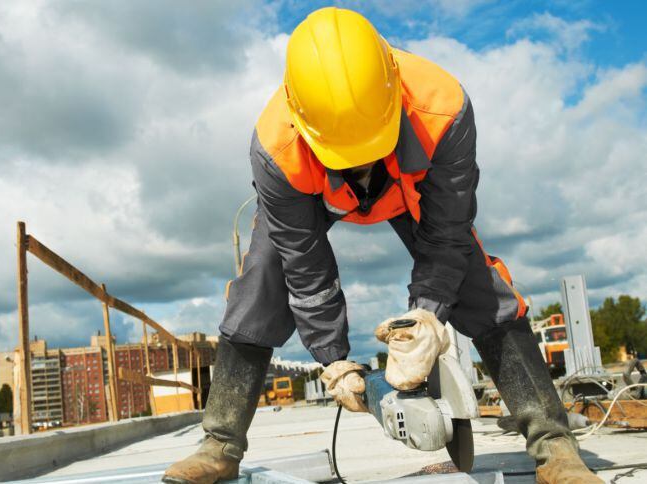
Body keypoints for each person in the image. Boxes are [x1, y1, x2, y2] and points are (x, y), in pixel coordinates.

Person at [163, 7, 602, 484]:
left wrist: (425, 319)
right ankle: (220, 444)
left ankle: (554, 446)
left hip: (410, 189)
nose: (360, 164)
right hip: (312, 195)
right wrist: (333, 360)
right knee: (261, 281)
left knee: (479, 285)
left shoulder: (443, 108)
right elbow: (306, 267)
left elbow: (447, 235)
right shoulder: (276, 147)